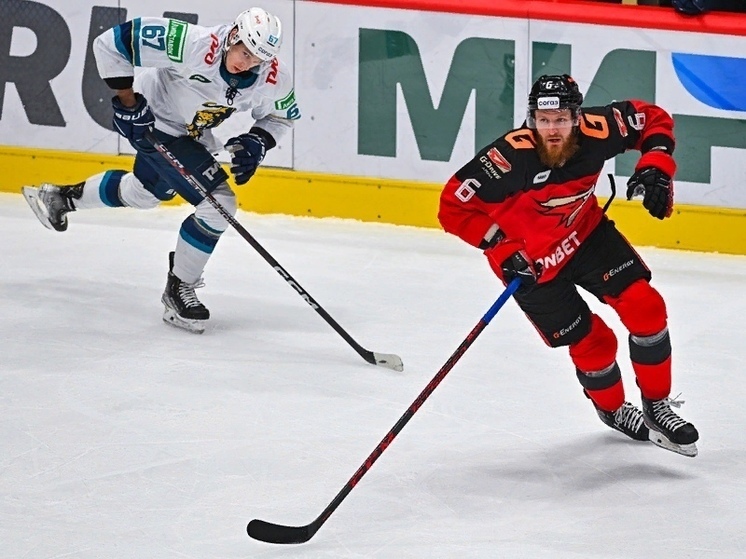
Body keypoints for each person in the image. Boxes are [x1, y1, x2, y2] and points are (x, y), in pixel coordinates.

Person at [438, 74, 699, 457]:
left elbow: (652, 118)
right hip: (530, 264)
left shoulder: (599, 129)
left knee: (646, 306)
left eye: (560, 119)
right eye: (543, 121)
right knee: (596, 343)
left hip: (585, 235)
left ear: (577, 118)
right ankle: (613, 410)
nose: (552, 130)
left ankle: (657, 406)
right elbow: (453, 207)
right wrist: (501, 247)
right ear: (532, 120)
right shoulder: (510, 158)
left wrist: (656, 164)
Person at [22, 7, 300, 334]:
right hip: (154, 125)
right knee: (219, 205)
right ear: (234, 36)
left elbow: (282, 116)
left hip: (192, 135)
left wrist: (258, 140)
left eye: (257, 59)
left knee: (143, 194)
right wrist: (128, 102)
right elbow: (112, 43)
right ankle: (179, 290)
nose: (247, 63)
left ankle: (60, 198)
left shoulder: (272, 78)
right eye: (244, 52)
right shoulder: (194, 44)